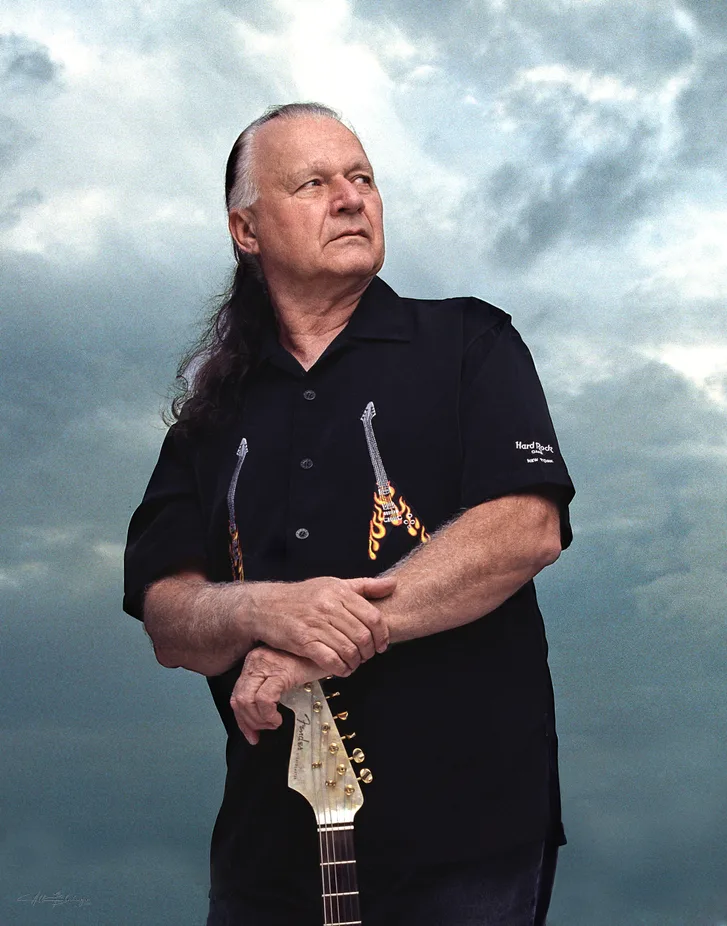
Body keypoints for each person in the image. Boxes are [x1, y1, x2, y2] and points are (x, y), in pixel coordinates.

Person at [123, 102, 575, 926]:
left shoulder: (469, 342)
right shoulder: (207, 422)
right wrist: (263, 610)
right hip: (268, 855)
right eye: (312, 183)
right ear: (246, 230)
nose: (349, 197)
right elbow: (167, 615)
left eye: (361, 177)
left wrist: (319, 641)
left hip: (466, 839)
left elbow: (523, 528)